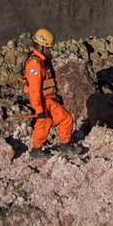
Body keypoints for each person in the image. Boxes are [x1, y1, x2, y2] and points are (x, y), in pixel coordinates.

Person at [24, 27, 75, 155]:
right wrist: (39, 109)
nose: (49, 50)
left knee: (56, 120)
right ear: (41, 46)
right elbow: (35, 90)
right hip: (44, 100)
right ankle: (38, 150)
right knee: (51, 121)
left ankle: (61, 145)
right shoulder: (35, 64)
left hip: (49, 98)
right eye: (47, 48)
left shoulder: (41, 60)